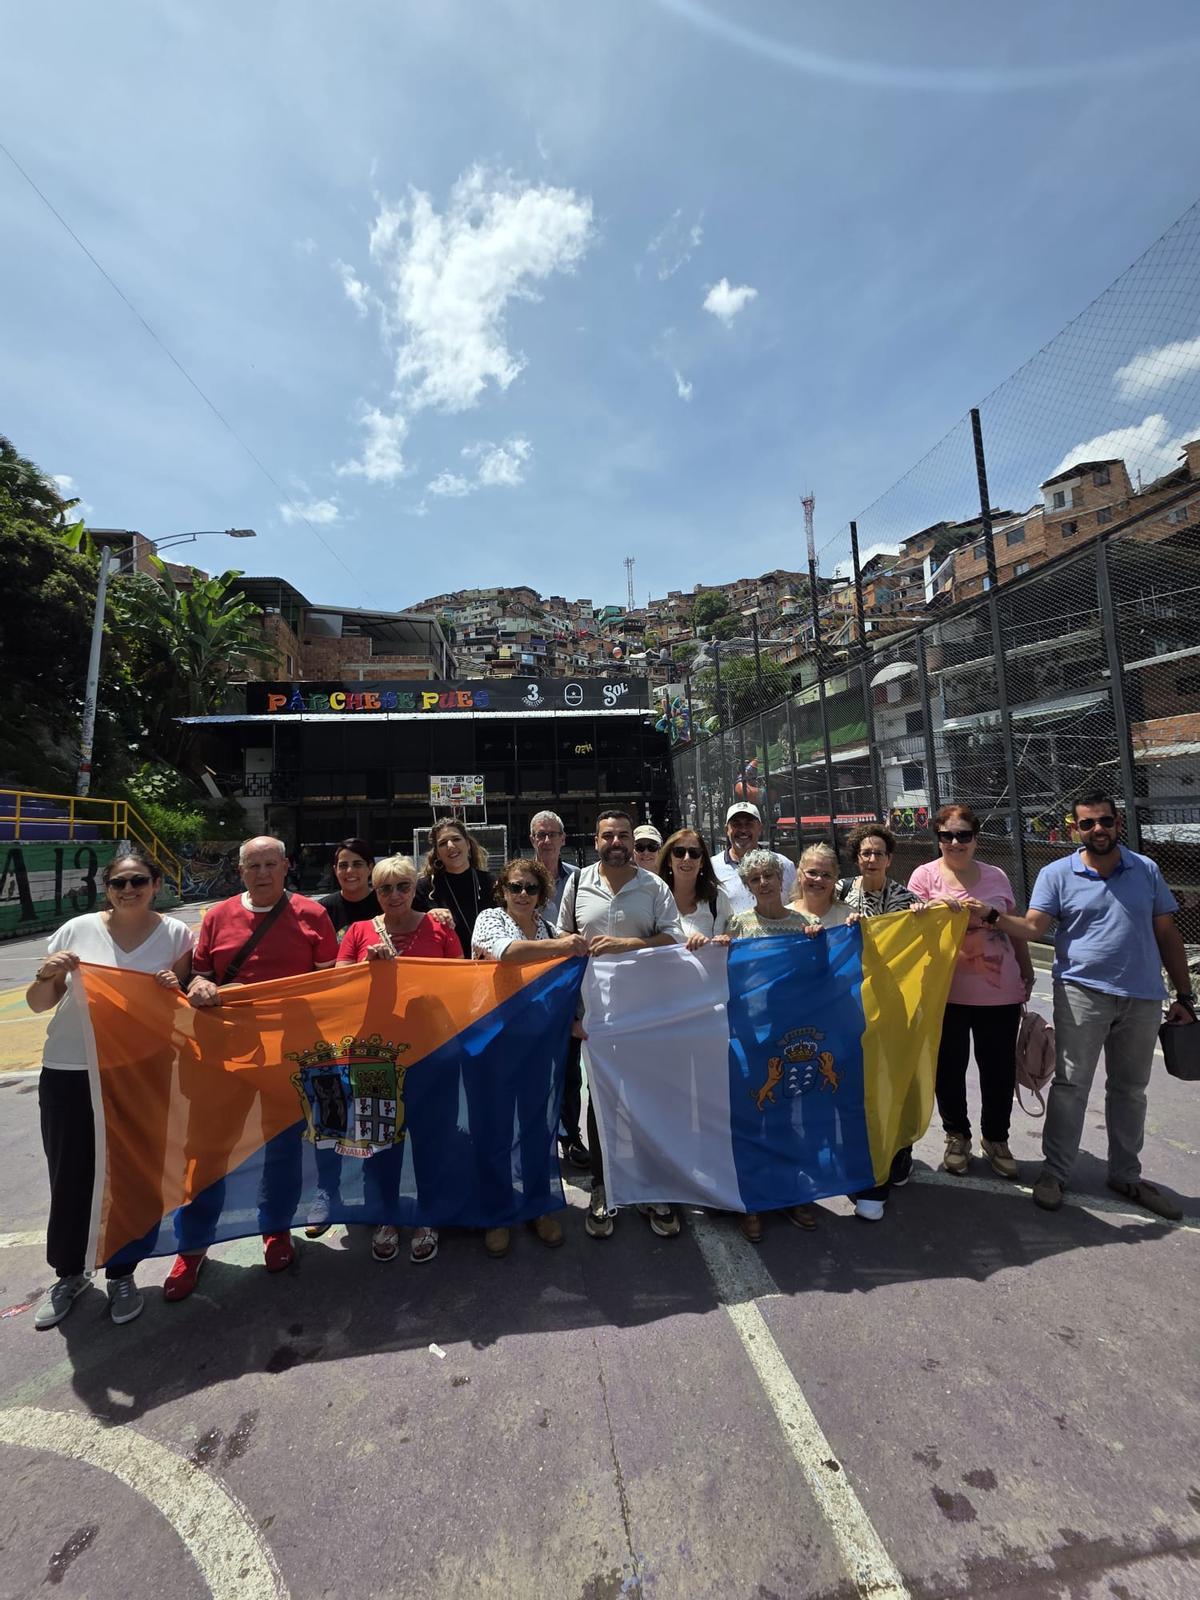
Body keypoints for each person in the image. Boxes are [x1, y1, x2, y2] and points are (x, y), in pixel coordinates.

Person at [981, 794, 1191, 1220]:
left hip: (1144, 996)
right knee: (1071, 1086)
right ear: (1074, 828)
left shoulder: (1145, 870)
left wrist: (1185, 996)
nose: (1098, 829)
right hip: (1081, 992)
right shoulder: (1057, 873)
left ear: (1118, 824)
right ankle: (1055, 1174)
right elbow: (1034, 926)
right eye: (1088, 823)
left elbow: (1167, 933)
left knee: (1130, 1090)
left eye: (1106, 821)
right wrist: (991, 916)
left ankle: (1126, 1174)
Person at [26, 848, 194, 1329]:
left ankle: (122, 1271)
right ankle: (70, 1273)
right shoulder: (76, 930)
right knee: (70, 1170)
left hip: (138, 1068)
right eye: (118, 883)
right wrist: (47, 974)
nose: (128, 890)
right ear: (107, 888)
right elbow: (40, 1004)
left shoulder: (176, 935)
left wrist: (173, 987)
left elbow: (177, 1007)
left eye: (138, 881)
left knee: (130, 1171)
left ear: (156, 884)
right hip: (69, 1067)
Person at [165, 836, 338, 1301]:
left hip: (290, 1052)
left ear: (286, 867)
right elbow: (199, 974)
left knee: (281, 1147)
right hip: (227, 1053)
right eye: (252, 865)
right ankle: (193, 1245)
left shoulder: (313, 915)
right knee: (207, 1148)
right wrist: (199, 986)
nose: (262, 872)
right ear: (240, 872)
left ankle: (276, 1229)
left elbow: (330, 983)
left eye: (270, 864)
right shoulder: (217, 916)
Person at [556, 808, 685, 1240]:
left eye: (623, 836)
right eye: (607, 835)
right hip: (596, 1018)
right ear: (596, 840)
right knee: (602, 1105)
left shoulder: (654, 886)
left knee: (645, 1101)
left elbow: (674, 937)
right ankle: (602, 1187)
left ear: (634, 841)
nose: (616, 842)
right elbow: (562, 949)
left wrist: (631, 944)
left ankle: (650, 1188)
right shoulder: (577, 884)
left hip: (644, 1015)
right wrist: (572, 1014)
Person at [338, 854, 462, 1264]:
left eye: (402, 886)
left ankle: (429, 1214)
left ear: (416, 889)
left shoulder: (440, 926)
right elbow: (337, 988)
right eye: (385, 888)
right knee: (379, 1141)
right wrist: (364, 972)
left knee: (432, 1137)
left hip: (431, 1052)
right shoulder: (357, 932)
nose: (394, 895)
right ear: (375, 892)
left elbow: (460, 982)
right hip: (373, 1054)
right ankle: (385, 1216)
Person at [907, 804, 1034, 1182]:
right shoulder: (924, 876)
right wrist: (929, 909)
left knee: (998, 1069)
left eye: (963, 835)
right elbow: (910, 927)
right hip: (944, 992)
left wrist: (1025, 968)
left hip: (998, 991)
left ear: (976, 838)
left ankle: (996, 1139)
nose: (955, 842)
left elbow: (1016, 927)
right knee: (949, 1068)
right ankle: (956, 1135)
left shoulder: (995, 877)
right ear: (938, 838)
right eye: (946, 835)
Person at [471, 859, 589, 1258]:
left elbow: (567, 976)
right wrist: (564, 945)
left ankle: (538, 1205)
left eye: (531, 889)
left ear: (542, 895)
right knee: (497, 1129)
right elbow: (506, 953)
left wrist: (575, 1016)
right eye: (515, 887)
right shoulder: (490, 919)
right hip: (494, 1041)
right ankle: (498, 1213)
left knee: (538, 1126)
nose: (522, 894)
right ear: (502, 889)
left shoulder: (549, 927)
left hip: (538, 1042)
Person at [727, 848, 821, 1241]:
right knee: (752, 1115)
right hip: (749, 1034)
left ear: (782, 880)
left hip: (794, 1035)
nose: (763, 883)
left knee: (790, 1115)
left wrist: (821, 942)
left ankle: (791, 1192)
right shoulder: (737, 925)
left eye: (769, 876)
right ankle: (753, 1198)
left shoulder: (807, 924)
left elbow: (823, 975)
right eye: (755, 879)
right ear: (748, 887)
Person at [836, 824, 927, 1221]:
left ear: (890, 859)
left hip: (893, 1008)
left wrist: (927, 917)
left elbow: (925, 944)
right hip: (850, 1006)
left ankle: (898, 1152)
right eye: (865, 853)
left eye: (879, 853)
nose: (872, 859)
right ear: (857, 858)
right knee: (855, 1084)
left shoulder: (907, 899)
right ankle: (858, 1160)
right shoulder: (839, 892)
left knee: (894, 1080)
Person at [530, 810, 587, 1167]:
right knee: (534, 1068)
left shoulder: (582, 879)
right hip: (533, 989)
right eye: (540, 834)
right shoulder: (521, 879)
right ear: (532, 839)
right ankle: (538, 1140)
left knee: (569, 1067)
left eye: (553, 834)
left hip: (571, 987)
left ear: (564, 839)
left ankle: (571, 1137)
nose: (547, 840)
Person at [416, 819, 493, 958]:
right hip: (447, 971)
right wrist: (426, 918)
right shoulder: (423, 888)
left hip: (488, 967)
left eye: (456, 839)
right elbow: (409, 926)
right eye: (443, 843)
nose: (450, 846)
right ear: (437, 853)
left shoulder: (491, 883)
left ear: (468, 844)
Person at [712, 801, 797, 915]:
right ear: (727, 829)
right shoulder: (712, 868)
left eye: (749, 824)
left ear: (760, 828)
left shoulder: (784, 864)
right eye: (736, 824)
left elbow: (797, 905)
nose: (743, 830)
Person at [655, 828, 733, 949]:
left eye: (694, 853)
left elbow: (734, 933)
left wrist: (725, 939)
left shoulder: (718, 899)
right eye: (679, 852)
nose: (687, 858)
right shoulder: (654, 899)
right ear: (669, 860)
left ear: (702, 862)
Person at [316, 837, 381, 942]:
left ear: (370, 868)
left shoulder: (384, 903)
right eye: (343, 865)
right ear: (335, 870)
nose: (350, 870)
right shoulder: (323, 910)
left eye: (357, 864)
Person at [790, 843, 858, 933]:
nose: (818, 879)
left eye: (826, 875)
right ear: (799, 875)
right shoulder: (784, 915)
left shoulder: (847, 915)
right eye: (812, 872)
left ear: (835, 880)